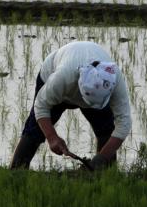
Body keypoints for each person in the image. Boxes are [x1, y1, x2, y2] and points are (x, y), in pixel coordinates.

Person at [10, 40, 131, 170]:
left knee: (106, 129)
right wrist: (52, 137)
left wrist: (102, 157)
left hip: (90, 84)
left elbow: (124, 123)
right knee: (35, 130)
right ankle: (16, 173)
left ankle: (106, 176)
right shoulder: (62, 78)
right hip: (54, 74)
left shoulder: (113, 78)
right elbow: (40, 106)